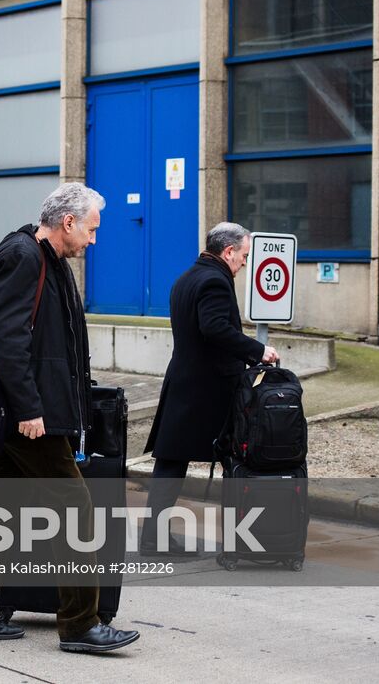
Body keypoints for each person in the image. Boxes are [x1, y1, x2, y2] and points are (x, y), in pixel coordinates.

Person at [0, 183, 140, 655]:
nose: (94, 240)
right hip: (28, 418)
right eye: (91, 229)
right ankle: (80, 624)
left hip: (32, 414)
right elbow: (8, 338)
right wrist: (29, 408)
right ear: (68, 222)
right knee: (77, 512)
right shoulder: (24, 257)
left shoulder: (50, 261)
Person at [140, 222, 279, 553]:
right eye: (244, 255)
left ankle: (153, 537)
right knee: (235, 458)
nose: (245, 262)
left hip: (184, 383)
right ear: (228, 251)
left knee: (171, 462)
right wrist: (257, 350)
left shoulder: (186, 277)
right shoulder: (216, 280)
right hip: (208, 390)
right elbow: (214, 328)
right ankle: (242, 538)